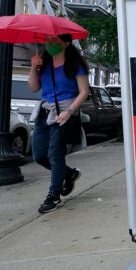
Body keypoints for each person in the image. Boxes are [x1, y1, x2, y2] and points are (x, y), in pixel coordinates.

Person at [28, 33, 90, 213]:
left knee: (55, 154)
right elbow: (33, 87)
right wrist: (34, 68)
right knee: (40, 155)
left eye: (55, 40)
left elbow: (84, 91)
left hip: (65, 112)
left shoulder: (76, 65)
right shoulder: (44, 63)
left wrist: (69, 111)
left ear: (66, 43)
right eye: (48, 40)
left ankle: (53, 196)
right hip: (44, 112)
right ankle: (69, 174)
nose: (50, 44)